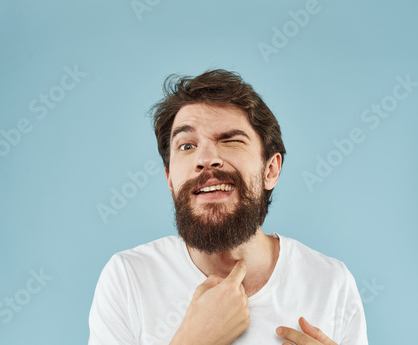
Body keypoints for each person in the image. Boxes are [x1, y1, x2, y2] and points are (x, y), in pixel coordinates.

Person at [88, 69, 368, 345]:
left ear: (270, 170)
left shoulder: (331, 283)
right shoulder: (128, 278)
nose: (206, 158)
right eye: (186, 146)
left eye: (230, 140)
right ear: (170, 180)